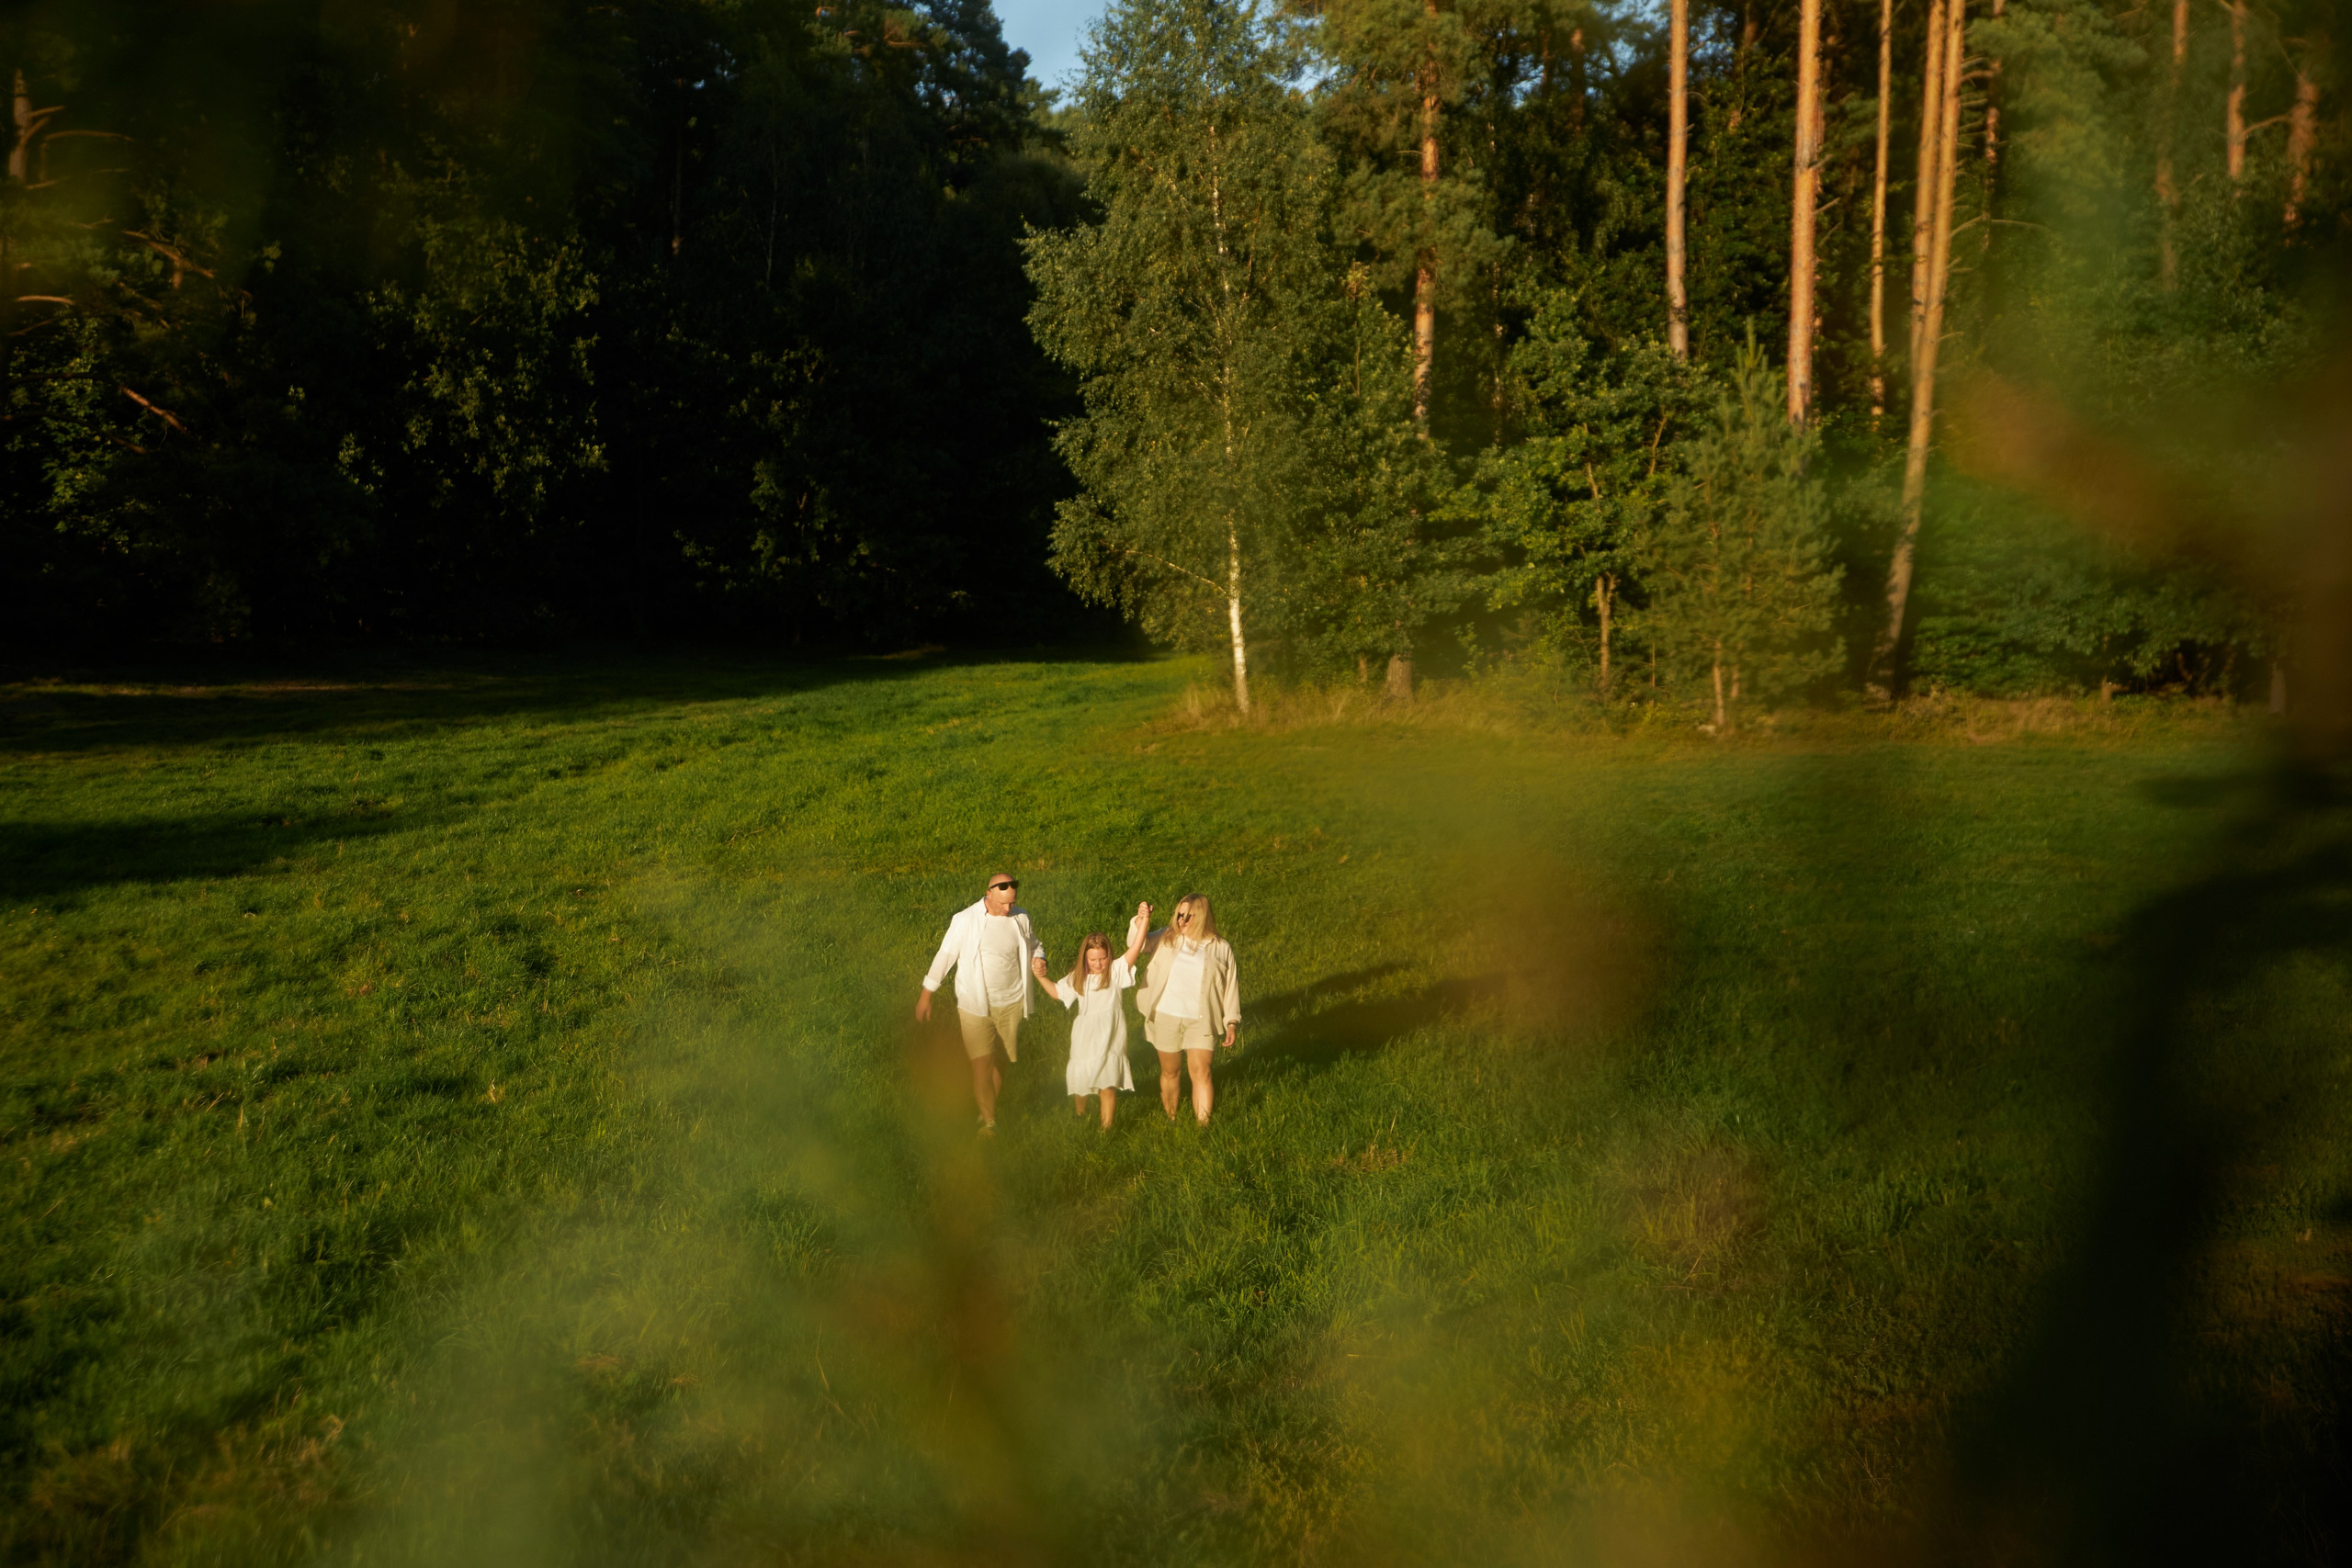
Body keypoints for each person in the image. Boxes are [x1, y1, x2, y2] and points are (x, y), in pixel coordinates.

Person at [916, 873, 1044, 1134]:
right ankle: (989, 1123)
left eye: (1012, 903)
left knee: (1000, 1062)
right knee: (982, 1064)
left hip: (1012, 1003)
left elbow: (1034, 945)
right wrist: (926, 995)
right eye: (1003, 903)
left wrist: (1040, 958)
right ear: (988, 894)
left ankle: (987, 1110)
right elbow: (945, 957)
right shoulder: (965, 920)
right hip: (975, 1005)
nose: (1008, 908)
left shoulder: (1021, 917)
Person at [1034, 904, 1150, 1130]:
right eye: (1093, 960)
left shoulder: (1115, 971)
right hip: (1085, 1035)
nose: (1098, 964)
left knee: (1108, 1083)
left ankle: (1106, 1129)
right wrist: (1040, 977)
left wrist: (1144, 919)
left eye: (1102, 958)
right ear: (1084, 958)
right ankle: (1080, 1116)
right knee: (1082, 1079)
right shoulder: (1078, 977)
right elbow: (1057, 993)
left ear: (1109, 956)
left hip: (1111, 1035)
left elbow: (1136, 947)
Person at [1135, 893, 1239, 1125]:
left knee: (1202, 1072)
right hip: (1166, 1017)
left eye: (1187, 916)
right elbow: (1138, 944)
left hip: (1201, 1020)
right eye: (1179, 914)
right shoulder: (1166, 936)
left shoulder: (1220, 947)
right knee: (1170, 1072)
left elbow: (1230, 987)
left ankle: (1203, 1127)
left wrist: (1231, 1022)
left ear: (1202, 916)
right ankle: (1171, 1120)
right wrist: (1142, 920)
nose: (1181, 920)